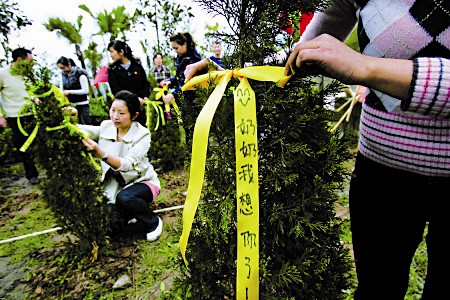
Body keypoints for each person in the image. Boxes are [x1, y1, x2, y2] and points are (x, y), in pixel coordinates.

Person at [284, 1, 450, 299]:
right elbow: (306, 52)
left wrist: (367, 67)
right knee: (377, 288)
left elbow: (357, 64)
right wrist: (233, 70)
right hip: (379, 172)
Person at [78, 90, 162, 241]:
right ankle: (131, 213)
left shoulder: (142, 135)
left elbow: (127, 164)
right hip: (115, 188)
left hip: (142, 183)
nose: (115, 116)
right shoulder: (106, 126)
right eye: (113, 110)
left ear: (134, 115)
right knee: (110, 225)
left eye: (121, 113)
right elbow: (87, 130)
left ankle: (153, 222)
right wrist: (64, 122)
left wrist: (101, 153)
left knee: (125, 198)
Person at [0, 48, 40, 184]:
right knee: (23, 146)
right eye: (29, 61)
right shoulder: (3, 74)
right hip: (15, 116)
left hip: (32, 113)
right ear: (19, 60)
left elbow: (32, 90)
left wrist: (35, 98)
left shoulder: (27, 73)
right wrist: (0, 116)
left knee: (40, 142)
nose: (31, 64)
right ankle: (32, 174)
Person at [107, 40, 150, 127]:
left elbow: (145, 83)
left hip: (140, 106)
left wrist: (145, 97)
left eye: (112, 52)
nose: (111, 55)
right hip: (124, 108)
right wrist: (134, 99)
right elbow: (116, 90)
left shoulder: (137, 65)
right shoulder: (113, 69)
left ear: (121, 52)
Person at [57, 56, 92, 125]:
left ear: (69, 65)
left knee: (86, 124)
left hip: (82, 104)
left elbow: (85, 90)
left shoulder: (80, 74)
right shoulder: (63, 76)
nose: (63, 70)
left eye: (63, 68)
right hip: (71, 105)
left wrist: (70, 92)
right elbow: (62, 88)